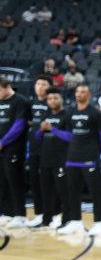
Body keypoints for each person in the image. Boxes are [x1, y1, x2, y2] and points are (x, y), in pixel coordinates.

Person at [49, 83, 101, 236]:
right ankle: (75, 222)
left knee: (96, 192)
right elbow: (65, 133)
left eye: (82, 92)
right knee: (72, 192)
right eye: (77, 92)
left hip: (89, 157)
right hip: (72, 158)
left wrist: (95, 151)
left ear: (88, 95)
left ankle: (100, 223)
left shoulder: (96, 113)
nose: (79, 94)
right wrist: (54, 130)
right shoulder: (70, 112)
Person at [33, 88, 68, 229]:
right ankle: (46, 219)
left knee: (63, 192)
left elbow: (70, 137)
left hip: (61, 159)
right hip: (45, 159)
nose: (52, 101)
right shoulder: (46, 115)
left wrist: (53, 129)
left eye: (55, 98)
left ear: (61, 99)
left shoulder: (67, 115)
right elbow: (37, 137)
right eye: (49, 99)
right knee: (45, 192)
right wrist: (41, 130)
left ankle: (67, 220)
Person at [0, 77, 31, 228]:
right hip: (1, 149)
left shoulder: (20, 101)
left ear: (7, 86)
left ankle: (20, 215)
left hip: (14, 148)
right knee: (2, 182)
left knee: (15, 181)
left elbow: (19, 126)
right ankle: (7, 213)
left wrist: (2, 142)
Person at [25, 76, 51, 228]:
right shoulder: (30, 104)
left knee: (48, 184)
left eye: (44, 84)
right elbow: (27, 123)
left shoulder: (52, 103)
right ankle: (39, 214)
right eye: (38, 84)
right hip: (33, 150)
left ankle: (51, 215)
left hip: (49, 150)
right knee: (35, 182)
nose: (40, 87)